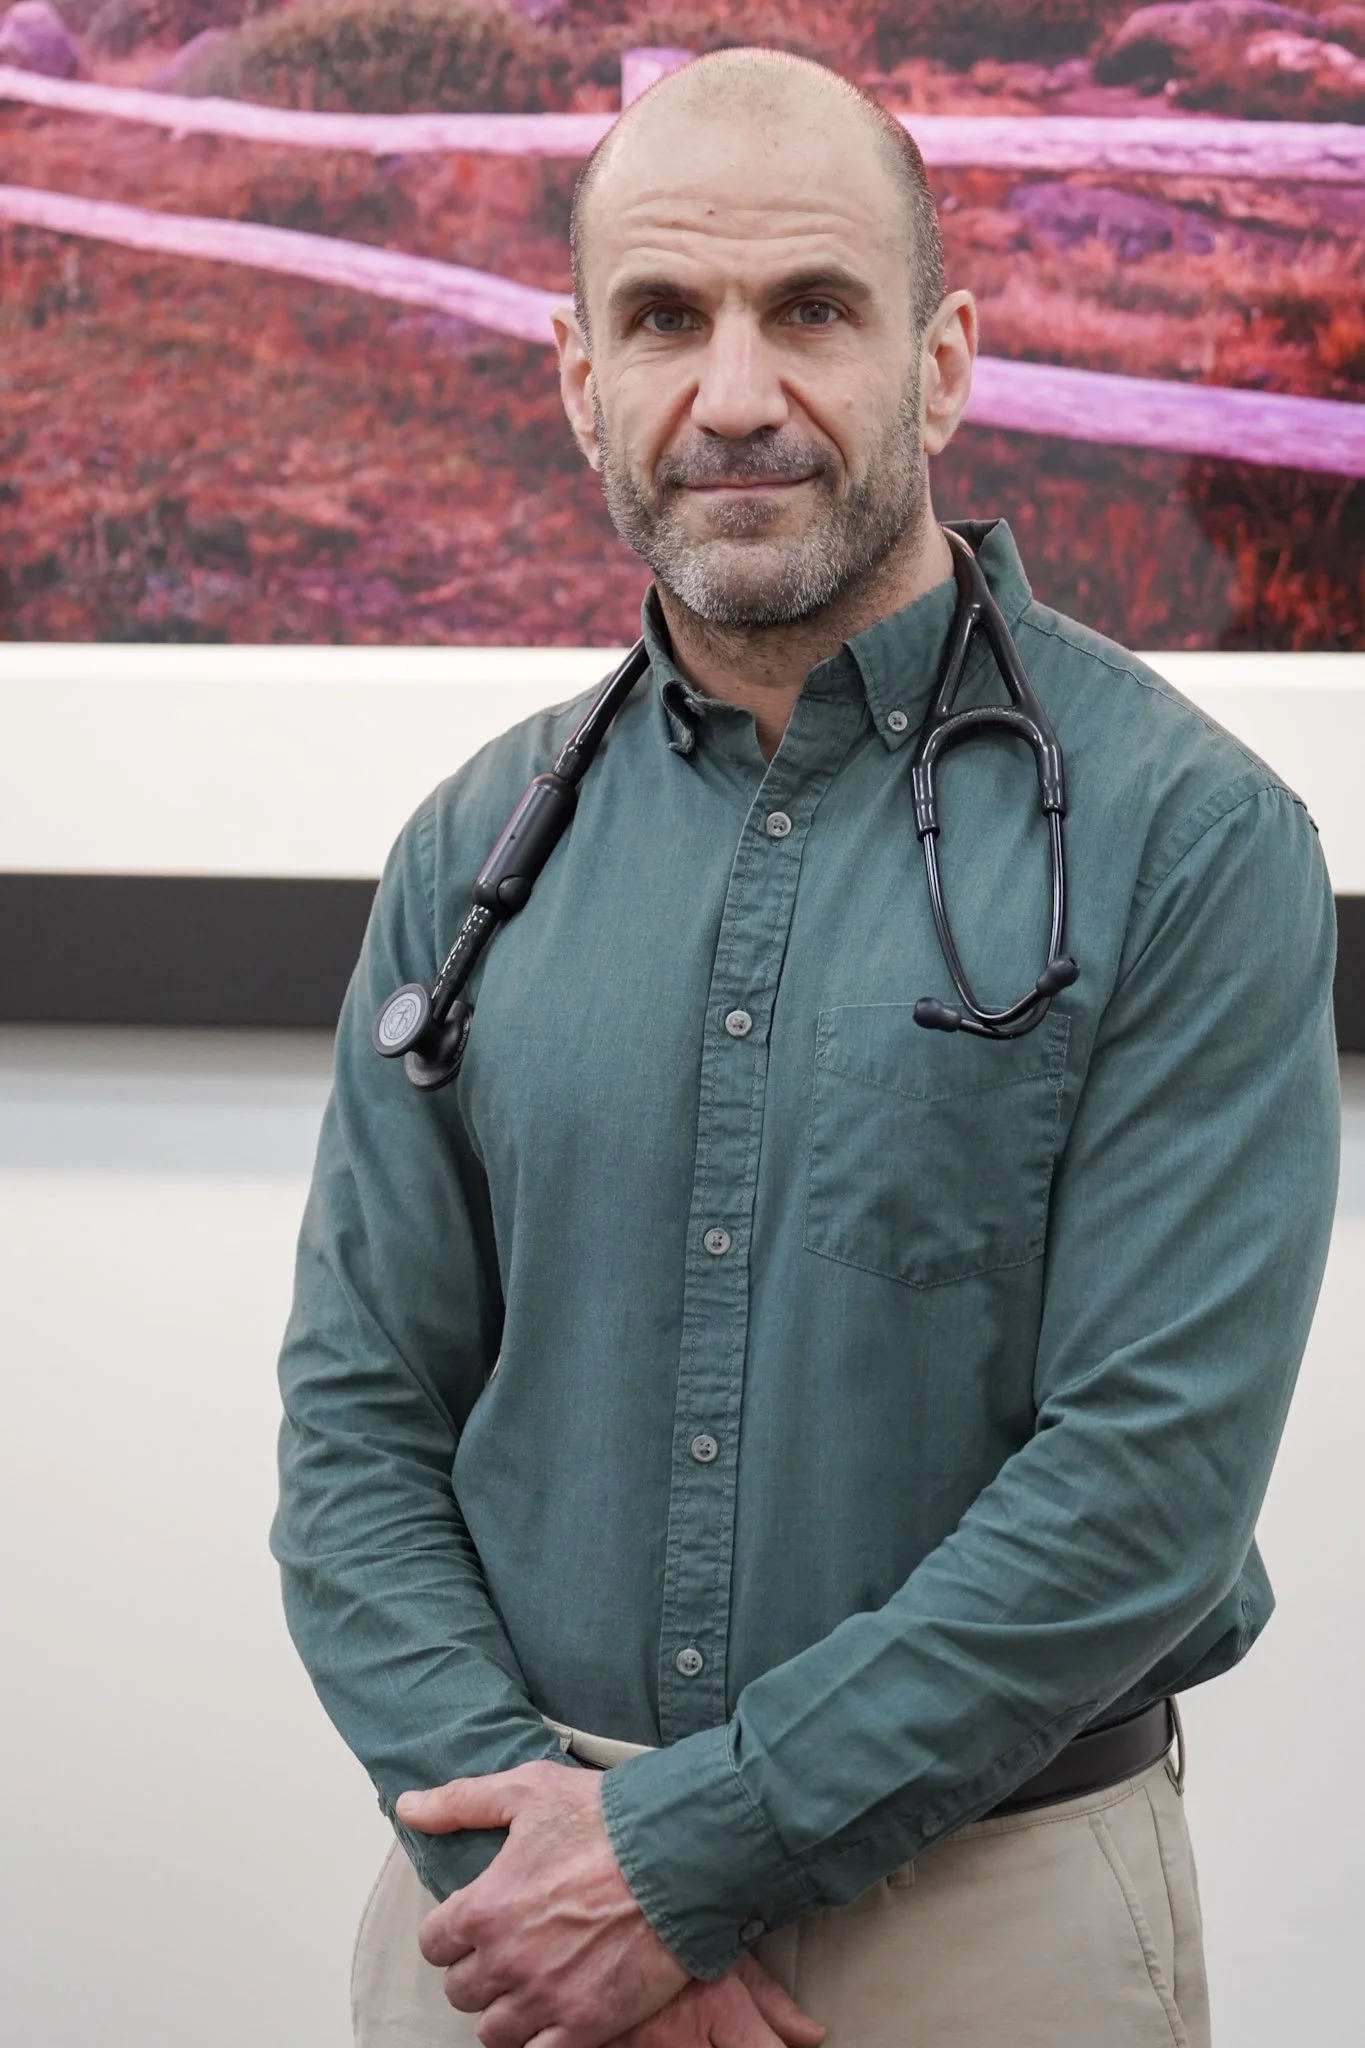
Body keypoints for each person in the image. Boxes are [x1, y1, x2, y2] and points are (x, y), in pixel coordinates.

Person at [272, 48, 1340, 2048]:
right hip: (496, 1923)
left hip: (985, 1927)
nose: (737, 394)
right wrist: (546, 1874)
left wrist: (681, 1859)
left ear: (937, 366)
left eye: (814, 312)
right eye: (665, 320)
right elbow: (356, 1429)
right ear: (581, 386)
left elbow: (1145, 1481)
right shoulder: (467, 859)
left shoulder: (1188, 844)